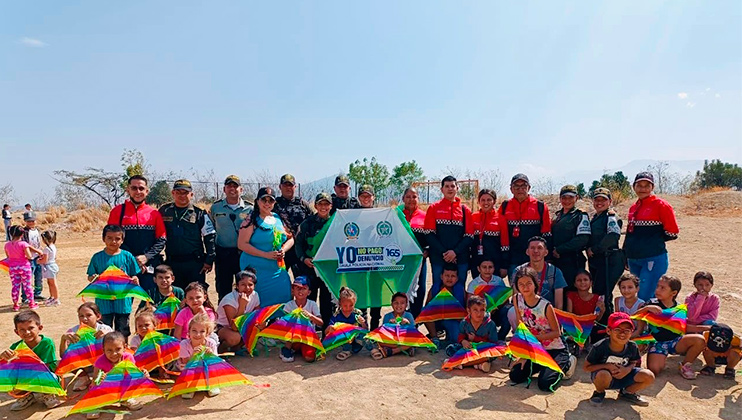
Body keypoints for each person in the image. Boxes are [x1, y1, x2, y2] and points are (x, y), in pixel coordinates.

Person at [509, 267, 576, 391]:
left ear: (535, 284)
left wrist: (537, 338)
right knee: (515, 375)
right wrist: (523, 354)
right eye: (521, 284)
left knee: (545, 384)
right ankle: (542, 365)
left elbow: (557, 332)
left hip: (555, 348)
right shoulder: (517, 299)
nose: (525, 287)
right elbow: (521, 326)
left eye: (529, 283)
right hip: (535, 349)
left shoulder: (545, 305)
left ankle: (567, 362)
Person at [633, 275, 706, 379]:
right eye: (657, 286)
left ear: (674, 293)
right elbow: (635, 316)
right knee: (654, 370)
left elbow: (683, 327)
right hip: (657, 342)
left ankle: (685, 365)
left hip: (675, 341)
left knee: (699, 340)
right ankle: (659, 357)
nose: (658, 290)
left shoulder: (679, 308)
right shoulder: (651, 304)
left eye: (662, 288)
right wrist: (646, 308)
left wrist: (704, 328)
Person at [623, 172, 679, 301]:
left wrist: (651, 240)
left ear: (652, 187)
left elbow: (673, 232)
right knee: (635, 295)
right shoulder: (633, 207)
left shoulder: (661, 205)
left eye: (646, 186)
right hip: (633, 259)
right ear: (634, 187)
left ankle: (650, 322)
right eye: (639, 185)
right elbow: (630, 232)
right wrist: (625, 254)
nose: (643, 189)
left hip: (653, 257)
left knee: (647, 295)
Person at [107, 175, 167, 291]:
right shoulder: (117, 212)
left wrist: (146, 257)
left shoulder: (154, 213)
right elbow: (111, 239)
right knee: (123, 305)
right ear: (127, 190)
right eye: (134, 188)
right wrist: (132, 260)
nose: (138, 192)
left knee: (152, 303)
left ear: (147, 191)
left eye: (141, 188)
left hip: (149, 266)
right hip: (124, 265)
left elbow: (161, 240)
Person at [584, 312, 654, 407]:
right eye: (617, 330)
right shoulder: (600, 347)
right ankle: (599, 392)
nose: (622, 333)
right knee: (603, 374)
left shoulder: (632, 346)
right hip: (604, 377)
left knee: (648, 376)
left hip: (624, 375)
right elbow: (586, 367)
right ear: (609, 331)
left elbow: (634, 361)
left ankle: (627, 392)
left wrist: (627, 369)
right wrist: (606, 366)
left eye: (627, 330)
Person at [238, 186, 293, 306]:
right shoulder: (250, 220)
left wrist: (283, 249)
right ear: (257, 201)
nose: (267, 203)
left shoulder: (278, 218)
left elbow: (291, 238)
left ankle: (277, 324)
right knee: (258, 304)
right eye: (264, 200)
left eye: (271, 200)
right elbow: (242, 244)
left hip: (277, 269)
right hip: (256, 270)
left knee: (283, 298)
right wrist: (265, 254)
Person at [424, 176, 474, 304]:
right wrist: (445, 253)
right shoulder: (433, 208)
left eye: (452, 186)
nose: (450, 189)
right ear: (441, 189)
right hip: (439, 258)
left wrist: (455, 252)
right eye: (447, 186)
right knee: (438, 289)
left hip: (460, 258)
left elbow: (469, 236)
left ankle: (459, 321)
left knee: (459, 289)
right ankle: (438, 321)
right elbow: (429, 234)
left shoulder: (465, 210)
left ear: (457, 188)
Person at [159, 179, 216, 291]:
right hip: (172, 263)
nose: (182, 195)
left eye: (185, 192)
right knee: (174, 297)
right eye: (178, 192)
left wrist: (209, 260)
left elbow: (209, 237)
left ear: (191, 194)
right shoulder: (164, 211)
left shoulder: (199, 213)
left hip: (194, 264)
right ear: (173, 193)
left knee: (195, 296)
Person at [87, 224, 141, 339]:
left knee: (123, 330)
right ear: (103, 239)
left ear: (122, 240)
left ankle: (123, 351)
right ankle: (105, 352)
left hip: (123, 301)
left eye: (117, 239)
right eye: (109, 238)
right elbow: (90, 276)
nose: (113, 241)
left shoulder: (127, 256)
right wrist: (93, 278)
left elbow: (134, 274)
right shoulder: (97, 257)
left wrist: (135, 279)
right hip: (103, 301)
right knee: (103, 329)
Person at [1, 310, 62, 411]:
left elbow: (45, 367)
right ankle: (27, 397)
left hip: (45, 376)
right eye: (22, 330)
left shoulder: (47, 343)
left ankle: (48, 395)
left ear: (40, 328)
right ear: (16, 332)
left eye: (31, 328)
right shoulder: (16, 346)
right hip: (26, 376)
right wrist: (2, 357)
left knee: (49, 376)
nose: (27, 332)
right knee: (7, 376)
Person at [210, 175, 254, 302]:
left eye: (235, 186)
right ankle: (224, 319)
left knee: (245, 288)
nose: (232, 189)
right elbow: (212, 227)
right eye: (229, 186)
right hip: (223, 254)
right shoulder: (216, 207)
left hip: (243, 254)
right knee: (223, 289)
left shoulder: (250, 208)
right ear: (224, 189)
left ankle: (245, 317)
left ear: (241, 189)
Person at [294, 192, 334, 327]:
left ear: (331, 206)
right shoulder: (307, 223)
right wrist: (303, 258)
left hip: (328, 270)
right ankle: (307, 332)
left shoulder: (336, 223)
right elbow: (298, 244)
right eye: (320, 204)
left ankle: (326, 334)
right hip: (309, 268)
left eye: (326, 204)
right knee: (308, 301)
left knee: (327, 303)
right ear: (315, 205)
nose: (323, 207)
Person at [499, 174, 552, 276]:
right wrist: (504, 261)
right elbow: (502, 235)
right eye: (516, 186)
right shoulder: (505, 206)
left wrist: (548, 258)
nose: (520, 189)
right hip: (513, 259)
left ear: (529, 188)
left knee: (536, 289)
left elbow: (547, 233)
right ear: (511, 189)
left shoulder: (540, 206)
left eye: (523, 186)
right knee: (517, 289)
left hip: (535, 259)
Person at [60, 302, 113, 392]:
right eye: (81, 316)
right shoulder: (73, 332)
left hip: (103, 364)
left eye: (89, 315)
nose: (84, 319)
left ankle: (103, 375)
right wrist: (63, 340)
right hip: (84, 365)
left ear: (98, 316)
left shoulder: (105, 329)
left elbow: (118, 349)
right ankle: (83, 377)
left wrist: (109, 335)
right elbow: (64, 357)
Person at [587, 188, 624, 314]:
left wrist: (594, 249)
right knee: (598, 293)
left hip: (609, 259)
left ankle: (607, 324)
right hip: (598, 261)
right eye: (597, 200)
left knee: (604, 294)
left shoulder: (611, 217)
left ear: (610, 201)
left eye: (603, 200)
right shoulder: (596, 217)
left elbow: (613, 236)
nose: (599, 203)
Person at [88, 332, 142, 418]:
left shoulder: (128, 357)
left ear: (124, 347)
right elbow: (94, 381)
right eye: (109, 350)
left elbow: (133, 374)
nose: (114, 354)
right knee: (95, 391)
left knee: (130, 379)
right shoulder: (99, 362)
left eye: (118, 349)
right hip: (105, 389)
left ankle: (125, 399)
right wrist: (100, 380)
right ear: (103, 350)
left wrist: (143, 374)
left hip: (121, 386)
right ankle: (96, 405)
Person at [444, 295, 499, 372]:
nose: (479, 313)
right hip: (468, 349)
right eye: (475, 310)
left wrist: (476, 339)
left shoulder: (490, 324)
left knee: (493, 354)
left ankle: (460, 363)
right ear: (469, 311)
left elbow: (494, 344)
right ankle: (478, 364)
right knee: (451, 348)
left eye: (482, 310)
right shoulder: (464, 323)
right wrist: (463, 341)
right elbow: (461, 336)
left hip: (483, 350)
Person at [551, 185, 591, 291]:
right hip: (557, 260)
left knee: (573, 293)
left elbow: (582, 239)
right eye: (564, 198)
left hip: (573, 260)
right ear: (560, 199)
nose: (567, 201)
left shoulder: (580, 215)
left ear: (576, 198)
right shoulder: (557, 216)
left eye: (570, 197)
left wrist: (560, 249)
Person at [275, 174, 313, 276]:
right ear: (280, 187)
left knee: (302, 282)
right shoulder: (274, 205)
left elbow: (312, 222)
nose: (288, 188)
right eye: (285, 185)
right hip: (282, 250)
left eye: (290, 185)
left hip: (301, 249)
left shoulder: (303, 204)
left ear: (295, 187)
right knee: (279, 279)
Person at [513, 236, 567, 309]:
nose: (535, 251)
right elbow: (517, 299)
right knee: (511, 312)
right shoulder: (518, 271)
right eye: (532, 248)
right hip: (525, 311)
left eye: (539, 248)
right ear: (527, 252)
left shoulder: (555, 272)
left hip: (548, 312)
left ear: (546, 252)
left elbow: (559, 305)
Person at [400, 187, 429, 318]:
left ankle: (415, 323)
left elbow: (431, 237)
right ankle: (400, 322)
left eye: (414, 196)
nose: (411, 199)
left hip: (419, 262)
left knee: (420, 291)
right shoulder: (397, 215)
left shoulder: (425, 216)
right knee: (401, 292)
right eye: (408, 197)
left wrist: (428, 250)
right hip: (401, 261)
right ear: (403, 199)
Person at [216, 269, 261, 353]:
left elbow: (257, 315)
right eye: (243, 285)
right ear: (237, 286)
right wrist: (242, 306)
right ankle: (220, 350)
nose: (247, 288)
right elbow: (234, 326)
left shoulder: (255, 295)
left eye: (250, 285)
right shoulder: (229, 300)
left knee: (260, 326)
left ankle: (237, 347)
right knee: (234, 338)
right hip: (223, 328)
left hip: (242, 325)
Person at [281, 276, 323, 363]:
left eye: (304, 288)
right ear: (293, 291)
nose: (300, 291)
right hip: (294, 337)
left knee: (310, 358)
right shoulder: (289, 305)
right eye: (297, 288)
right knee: (291, 334)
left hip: (308, 337)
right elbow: (283, 324)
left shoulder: (312, 304)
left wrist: (311, 316)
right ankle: (286, 349)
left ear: (309, 292)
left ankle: (300, 350)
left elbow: (321, 323)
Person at [466, 258, 510, 340]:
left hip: (497, 310)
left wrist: (496, 306)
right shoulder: (473, 284)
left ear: (494, 268)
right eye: (484, 267)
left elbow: (505, 299)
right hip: (481, 313)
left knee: (509, 310)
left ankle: (500, 337)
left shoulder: (499, 281)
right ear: (479, 269)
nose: (487, 270)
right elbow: (469, 303)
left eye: (490, 267)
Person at [358, 184, 383, 329]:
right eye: (363, 196)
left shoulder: (381, 214)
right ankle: (362, 328)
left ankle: (375, 327)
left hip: (377, 263)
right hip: (358, 263)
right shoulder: (351, 215)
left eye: (368, 196)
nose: (366, 199)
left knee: (376, 295)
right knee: (360, 294)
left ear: (373, 197)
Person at [177, 313, 220, 398]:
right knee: (185, 368)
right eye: (194, 331)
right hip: (191, 368)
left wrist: (210, 354)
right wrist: (193, 355)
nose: (197, 335)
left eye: (202, 331)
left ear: (207, 333)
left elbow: (215, 362)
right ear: (188, 331)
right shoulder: (184, 344)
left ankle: (211, 384)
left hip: (206, 368)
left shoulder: (211, 343)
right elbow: (185, 362)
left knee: (213, 368)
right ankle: (190, 386)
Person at [470, 189, 509, 280]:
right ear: (478, 202)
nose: (486, 203)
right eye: (483, 200)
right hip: (477, 261)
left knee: (495, 292)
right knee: (478, 290)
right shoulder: (473, 217)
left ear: (494, 201)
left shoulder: (501, 219)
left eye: (489, 200)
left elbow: (505, 244)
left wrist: (504, 265)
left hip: (495, 262)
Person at [423, 264, 464, 348]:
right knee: (424, 311)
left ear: (457, 278)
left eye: (453, 276)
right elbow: (427, 306)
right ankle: (434, 337)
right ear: (441, 276)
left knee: (456, 339)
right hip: (437, 319)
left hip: (453, 320)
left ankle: (449, 337)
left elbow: (465, 311)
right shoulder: (435, 288)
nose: (449, 278)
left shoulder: (461, 290)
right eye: (447, 276)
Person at [4, 225, 42, 311]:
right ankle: (31, 303)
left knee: (15, 286)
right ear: (22, 235)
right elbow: (29, 256)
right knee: (27, 285)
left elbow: (8, 257)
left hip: (13, 267)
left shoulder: (7, 245)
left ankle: (16, 304)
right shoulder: (23, 244)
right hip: (24, 266)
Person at [371, 292, 417, 360]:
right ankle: (404, 349)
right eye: (396, 303)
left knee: (414, 340)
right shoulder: (387, 316)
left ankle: (393, 351)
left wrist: (407, 323)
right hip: (393, 339)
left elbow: (414, 331)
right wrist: (390, 325)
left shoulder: (408, 315)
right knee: (378, 341)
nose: (399, 305)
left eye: (402, 303)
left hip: (404, 339)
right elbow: (383, 331)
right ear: (392, 304)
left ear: (406, 305)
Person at [326, 287, 368, 361]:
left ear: (355, 303)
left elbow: (365, 330)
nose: (348, 308)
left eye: (351, 305)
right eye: (345, 306)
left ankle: (372, 349)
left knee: (363, 337)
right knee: (342, 333)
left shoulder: (357, 313)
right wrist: (330, 328)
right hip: (344, 340)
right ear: (340, 304)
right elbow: (326, 332)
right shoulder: (337, 315)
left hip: (356, 339)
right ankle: (346, 350)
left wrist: (363, 323)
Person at [22, 211, 45, 302]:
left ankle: (37, 293)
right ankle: (25, 296)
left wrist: (40, 250)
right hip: (29, 258)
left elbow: (38, 242)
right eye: (28, 221)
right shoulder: (25, 232)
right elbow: (26, 245)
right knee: (28, 278)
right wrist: (37, 251)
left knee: (39, 276)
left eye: (32, 221)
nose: (31, 223)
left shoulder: (37, 230)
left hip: (38, 257)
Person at [39, 230, 60, 306]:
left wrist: (38, 261)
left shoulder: (47, 249)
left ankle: (56, 298)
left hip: (49, 267)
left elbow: (45, 260)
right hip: (52, 266)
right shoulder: (53, 247)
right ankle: (52, 297)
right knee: (50, 283)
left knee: (53, 283)